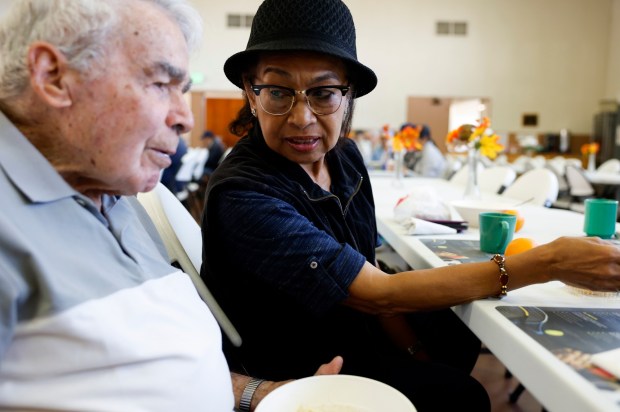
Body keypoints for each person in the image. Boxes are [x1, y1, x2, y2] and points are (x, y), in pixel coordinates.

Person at [200, 0, 620, 411]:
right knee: (463, 395)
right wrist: (548, 263)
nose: (302, 117)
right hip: (304, 365)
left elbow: (371, 270)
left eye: (324, 93)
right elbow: (376, 294)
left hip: (353, 327)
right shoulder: (244, 193)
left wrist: (414, 349)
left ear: (348, 96)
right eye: (277, 92)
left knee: (456, 333)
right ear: (250, 94)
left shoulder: (344, 158)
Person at [0, 1, 342, 411]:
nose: (185, 119)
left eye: (183, 91)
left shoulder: (116, 193)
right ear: (53, 77)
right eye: (162, 83)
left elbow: (160, 364)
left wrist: (262, 395)